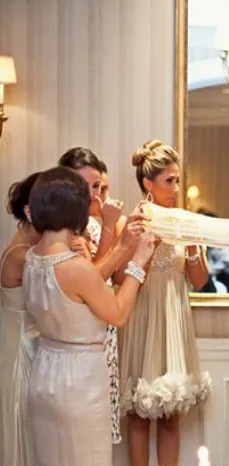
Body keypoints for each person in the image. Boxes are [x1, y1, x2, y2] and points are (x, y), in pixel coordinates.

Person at [23, 167, 153, 466]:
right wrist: (138, 261)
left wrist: (122, 246)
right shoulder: (75, 266)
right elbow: (118, 313)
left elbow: (82, 290)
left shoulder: (32, 259)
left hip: (45, 372)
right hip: (79, 380)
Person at [118, 139, 211, 466]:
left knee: (170, 413)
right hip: (141, 319)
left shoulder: (184, 222)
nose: (176, 188)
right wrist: (142, 248)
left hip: (174, 323)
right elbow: (118, 278)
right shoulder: (133, 223)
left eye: (177, 180)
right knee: (139, 415)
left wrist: (193, 248)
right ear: (148, 183)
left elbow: (199, 281)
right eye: (169, 181)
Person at [59, 148, 127, 446]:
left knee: (97, 439)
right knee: (78, 440)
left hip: (104, 334)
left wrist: (110, 228)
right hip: (79, 340)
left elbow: (107, 273)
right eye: (84, 185)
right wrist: (114, 229)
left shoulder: (93, 226)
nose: (94, 194)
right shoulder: (62, 232)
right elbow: (93, 281)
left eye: (97, 186)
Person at [0, 173, 43, 466]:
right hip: (20, 352)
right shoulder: (23, 256)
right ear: (29, 211)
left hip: (26, 346)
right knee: (21, 430)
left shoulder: (30, 251)